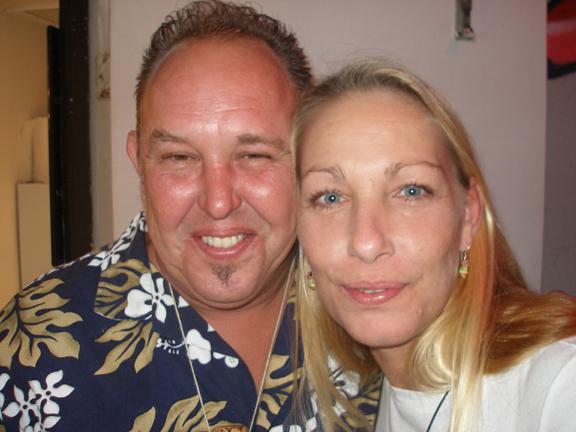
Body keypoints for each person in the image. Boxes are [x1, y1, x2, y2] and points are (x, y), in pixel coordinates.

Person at [0, 2, 378, 431]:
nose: (218, 203)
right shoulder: (33, 344)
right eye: (179, 157)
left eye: (254, 155)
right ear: (139, 160)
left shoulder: (375, 311)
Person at [293, 59, 576, 432]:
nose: (366, 243)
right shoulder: (364, 389)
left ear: (468, 215)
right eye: (330, 197)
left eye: (411, 191)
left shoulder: (558, 381)